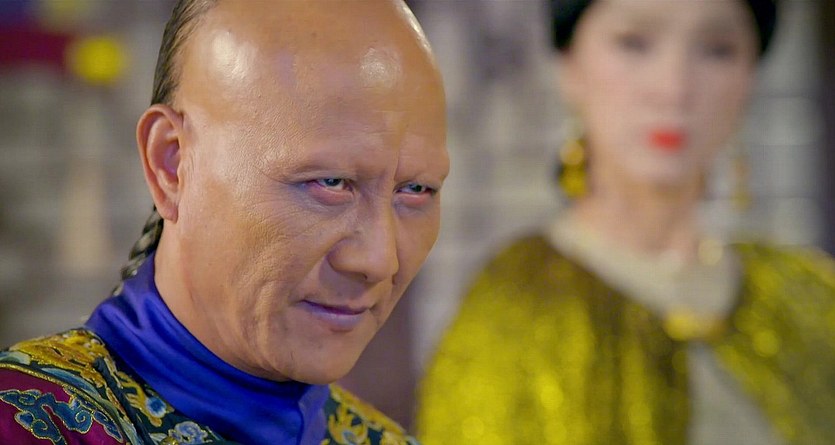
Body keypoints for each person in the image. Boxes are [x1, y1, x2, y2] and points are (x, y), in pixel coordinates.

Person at [0, 0, 448, 443]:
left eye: (416, 190)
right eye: (330, 183)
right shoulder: (30, 423)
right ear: (173, 164)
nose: (379, 261)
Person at [417, 0, 835, 444]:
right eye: (634, 44)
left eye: (717, 49)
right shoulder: (514, 306)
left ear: (751, 75)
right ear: (569, 66)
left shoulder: (805, 297)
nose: (674, 87)